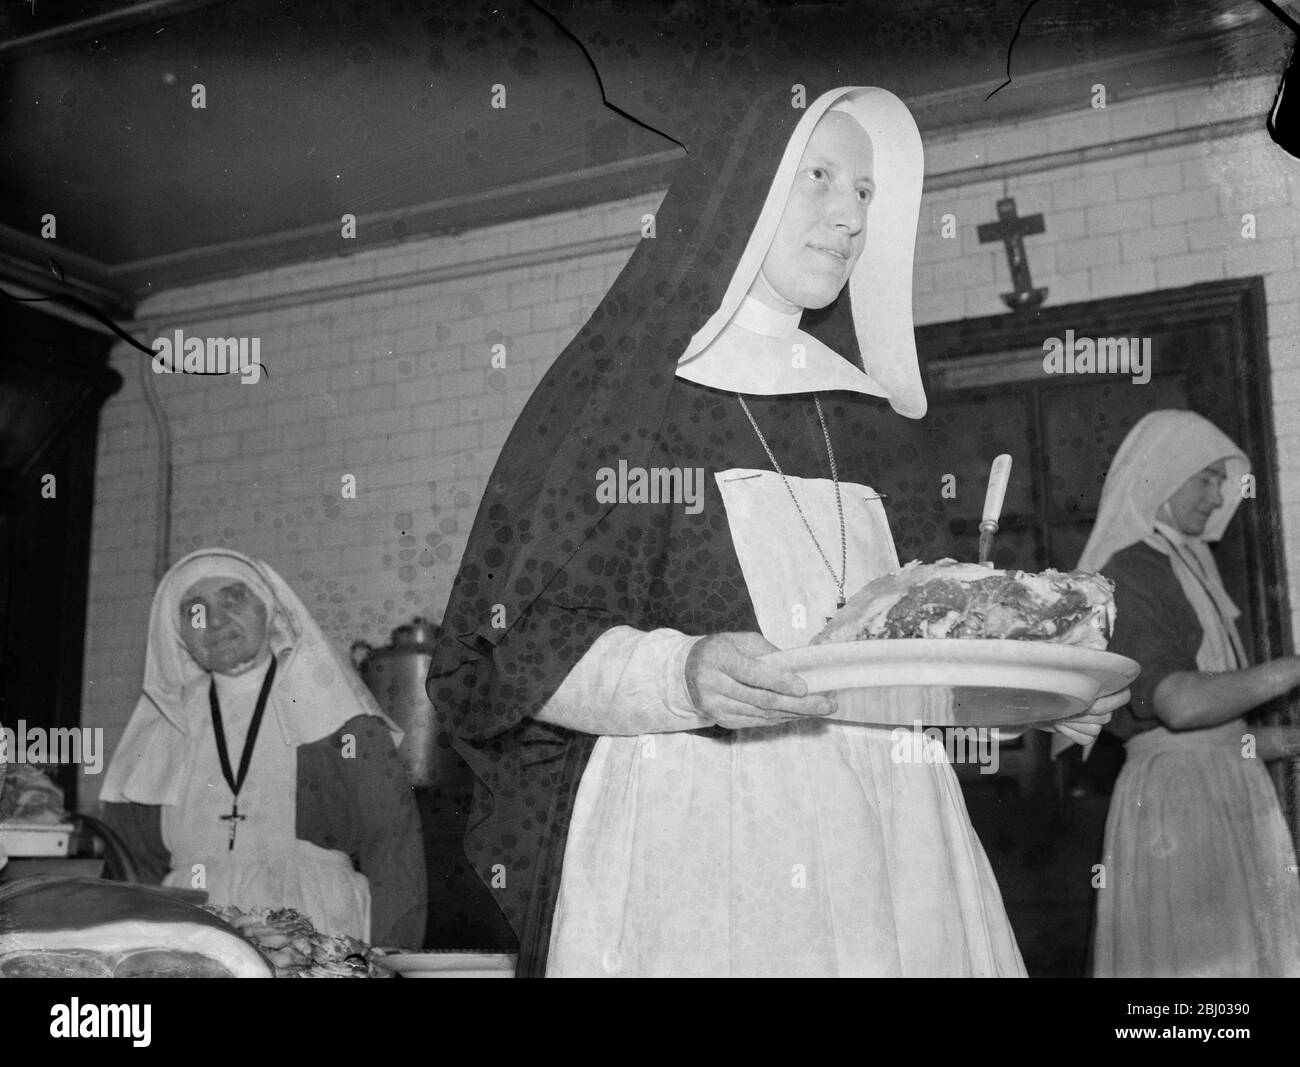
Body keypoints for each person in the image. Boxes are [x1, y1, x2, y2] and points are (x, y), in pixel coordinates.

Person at [429, 84, 1121, 978]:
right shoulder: (630, 401)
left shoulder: (873, 421)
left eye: (867, 193)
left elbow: (917, 669)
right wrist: (682, 673)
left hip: (898, 833)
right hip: (704, 825)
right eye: (821, 176)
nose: (849, 216)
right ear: (740, 191)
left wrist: (1042, 691)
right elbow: (507, 649)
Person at [100, 548, 426, 948]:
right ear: (178, 634)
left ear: (270, 608)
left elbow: (393, 848)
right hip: (191, 936)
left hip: (317, 929)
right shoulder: (162, 730)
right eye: (195, 611)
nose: (215, 620)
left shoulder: (337, 715)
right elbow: (132, 868)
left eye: (233, 599)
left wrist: (389, 958)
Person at [1079, 410, 1300, 977]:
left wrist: (1291, 741)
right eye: (1206, 477)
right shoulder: (1130, 570)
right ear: (1160, 475)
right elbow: (1180, 706)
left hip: (1224, 788)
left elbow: (1226, 738)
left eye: (1222, 482)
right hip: (1177, 803)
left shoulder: (1192, 565)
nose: (1219, 492)